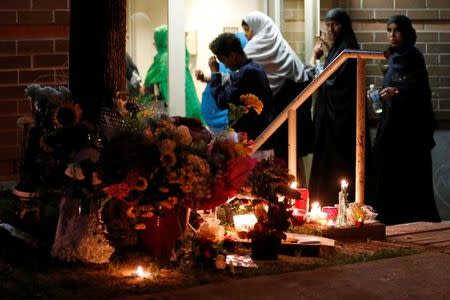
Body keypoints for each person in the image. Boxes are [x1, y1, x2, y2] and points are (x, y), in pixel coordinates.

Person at [372, 15, 440, 225]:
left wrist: (397, 92)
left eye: (397, 30)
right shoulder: (392, 57)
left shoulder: (413, 56)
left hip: (409, 133)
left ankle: (411, 219)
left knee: (409, 178)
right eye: (389, 30)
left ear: (406, 32)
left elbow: (419, 91)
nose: (392, 35)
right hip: (392, 127)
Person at [242, 11, 313, 162]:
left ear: (258, 27)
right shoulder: (283, 48)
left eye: (247, 29)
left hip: (278, 121)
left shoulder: (253, 50)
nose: (246, 35)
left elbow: (244, 81)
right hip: (287, 124)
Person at [309, 8, 360, 206]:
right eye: (328, 25)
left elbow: (334, 82)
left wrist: (316, 64)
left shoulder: (348, 48)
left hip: (340, 123)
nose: (330, 29)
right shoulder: (339, 48)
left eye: (335, 24)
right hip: (330, 121)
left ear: (344, 25)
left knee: (337, 166)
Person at [208, 32, 274, 147]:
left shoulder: (248, 73)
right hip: (258, 137)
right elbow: (231, 79)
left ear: (232, 55)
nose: (226, 66)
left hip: (256, 142)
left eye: (224, 61)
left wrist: (214, 73)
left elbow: (222, 100)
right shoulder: (253, 68)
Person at [141, 25, 203, 122]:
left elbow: (151, 82)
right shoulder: (177, 53)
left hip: (172, 108)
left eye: (156, 38)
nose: (154, 43)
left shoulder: (164, 58)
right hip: (188, 104)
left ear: (161, 39)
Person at [195, 32, 248, 133]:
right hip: (213, 119)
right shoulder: (228, 64)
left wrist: (214, 73)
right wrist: (204, 78)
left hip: (223, 121)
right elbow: (224, 79)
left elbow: (224, 97)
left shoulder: (242, 70)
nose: (225, 65)